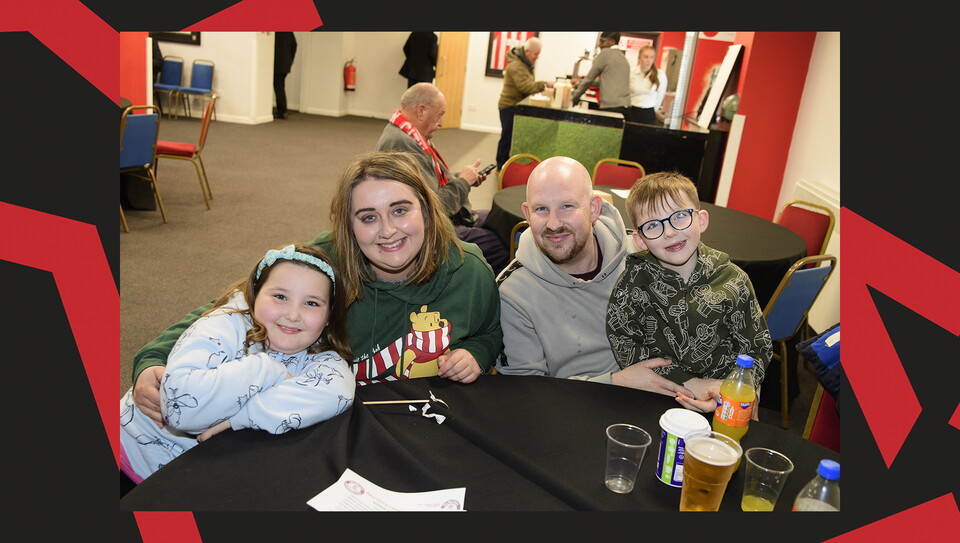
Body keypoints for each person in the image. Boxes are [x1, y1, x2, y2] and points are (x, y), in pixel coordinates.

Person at [130, 152, 502, 428]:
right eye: (368, 217)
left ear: (426, 208)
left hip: (417, 423)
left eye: (401, 210)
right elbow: (232, 307)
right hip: (316, 419)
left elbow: (489, 332)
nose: (388, 230)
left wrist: (474, 353)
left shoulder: (468, 271)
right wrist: (153, 358)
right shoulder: (323, 264)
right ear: (349, 226)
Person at [120, 243, 354, 485]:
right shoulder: (225, 324)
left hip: (181, 476)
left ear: (329, 316)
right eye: (280, 296)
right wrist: (265, 370)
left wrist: (239, 418)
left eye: (312, 303)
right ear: (252, 296)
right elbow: (182, 411)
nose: (293, 315)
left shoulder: (321, 352)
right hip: (129, 454)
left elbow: (338, 393)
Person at [495, 156, 695, 398]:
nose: (554, 224)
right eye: (541, 209)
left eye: (567, 207)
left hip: (665, 397)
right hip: (572, 409)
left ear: (593, 209)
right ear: (527, 213)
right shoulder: (513, 292)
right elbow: (525, 392)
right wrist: (617, 382)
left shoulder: (643, 253)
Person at [605, 171, 773, 414]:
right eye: (653, 225)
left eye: (680, 216)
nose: (670, 232)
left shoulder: (733, 280)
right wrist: (688, 383)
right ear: (640, 240)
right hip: (657, 396)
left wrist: (732, 390)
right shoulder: (632, 282)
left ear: (701, 220)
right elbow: (623, 339)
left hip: (721, 401)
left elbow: (757, 347)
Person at [375, 82, 509, 275]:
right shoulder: (402, 143)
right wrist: (462, 182)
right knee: (499, 246)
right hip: (432, 229)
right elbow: (434, 206)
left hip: (442, 218)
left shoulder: (408, 134)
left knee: (500, 220)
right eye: (440, 115)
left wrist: (463, 179)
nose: (441, 123)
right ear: (421, 111)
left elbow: (432, 180)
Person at [496, 37, 554, 170]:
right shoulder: (517, 65)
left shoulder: (523, 64)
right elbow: (527, 87)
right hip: (509, 106)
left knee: (509, 137)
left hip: (514, 106)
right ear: (527, 52)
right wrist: (545, 84)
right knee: (507, 137)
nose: (537, 57)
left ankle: (504, 166)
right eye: (536, 54)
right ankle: (501, 167)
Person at [571, 32, 630, 117]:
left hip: (610, 107)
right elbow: (605, 81)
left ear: (612, 42)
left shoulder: (605, 53)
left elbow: (589, 79)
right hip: (625, 108)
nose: (600, 45)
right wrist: (579, 82)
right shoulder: (622, 57)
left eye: (602, 41)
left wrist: (574, 98)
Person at [627, 45, 667, 125]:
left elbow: (660, 95)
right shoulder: (631, 72)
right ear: (639, 58)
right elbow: (625, 92)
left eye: (652, 57)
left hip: (649, 112)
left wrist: (653, 109)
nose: (649, 60)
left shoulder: (660, 74)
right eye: (646, 57)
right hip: (632, 110)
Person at [273, 31, 297, 119]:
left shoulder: (274, 32)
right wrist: (290, 59)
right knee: (281, 87)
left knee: (279, 88)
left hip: (277, 64)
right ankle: (282, 110)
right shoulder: (288, 31)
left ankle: (282, 111)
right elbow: (294, 45)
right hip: (286, 64)